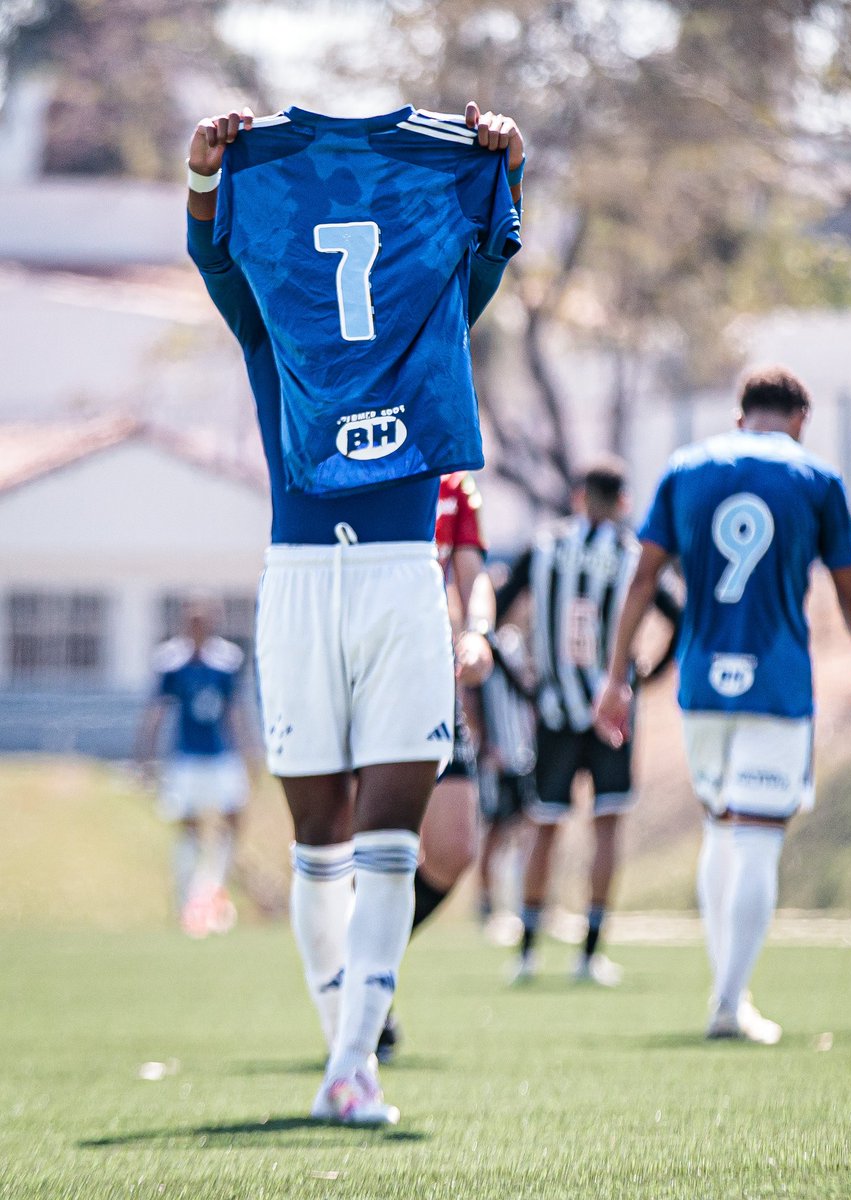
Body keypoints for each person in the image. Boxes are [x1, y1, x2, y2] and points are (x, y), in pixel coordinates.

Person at [186, 99, 523, 1125]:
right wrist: (205, 177)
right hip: (300, 580)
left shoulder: (428, 309)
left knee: (387, 839)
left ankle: (351, 1066)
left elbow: (493, 244)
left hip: (394, 578)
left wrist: (508, 161)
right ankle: (346, 1041)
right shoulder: (272, 315)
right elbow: (212, 256)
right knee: (318, 839)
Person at [595, 365, 851, 1043]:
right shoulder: (816, 478)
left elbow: (642, 579)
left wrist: (616, 677)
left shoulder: (685, 467)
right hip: (777, 684)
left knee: (720, 829)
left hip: (702, 685)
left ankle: (727, 989)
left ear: (740, 417)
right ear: (800, 421)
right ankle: (730, 1002)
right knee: (756, 837)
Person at [496, 457, 682, 986]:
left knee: (545, 827)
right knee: (605, 827)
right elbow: (679, 618)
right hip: (612, 716)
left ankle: (528, 953)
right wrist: (643, 677)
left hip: (554, 712)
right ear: (623, 502)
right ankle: (589, 956)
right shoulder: (630, 557)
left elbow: (497, 618)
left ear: (580, 497)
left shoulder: (545, 547)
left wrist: (526, 687)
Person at [375, 470, 496, 1063]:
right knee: (364, 847)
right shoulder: (356, 455)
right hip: (363, 672)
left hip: (432, 675)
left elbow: (474, 578)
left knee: (453, 850)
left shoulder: (454, 486)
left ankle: (369, 961)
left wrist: (476, 633)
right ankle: (363, 996)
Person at [135, 598, 250, 937]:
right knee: (188, 828)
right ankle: (188, 901)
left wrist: (249, 751)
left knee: (233, 819)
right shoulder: (171, 661)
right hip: (185, 757)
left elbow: (234, 710)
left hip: (221, 755)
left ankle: (215, 890)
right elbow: (157, 710)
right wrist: (144, 755)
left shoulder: (226, 659)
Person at [475, 623, 537, 925]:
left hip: (524, 753)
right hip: (498, 755)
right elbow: (474, 697)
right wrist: (486, 743)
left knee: (526, 829)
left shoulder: (520, 639)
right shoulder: (487, 642)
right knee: (496, 830)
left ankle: (519, 904)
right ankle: (486, 905)